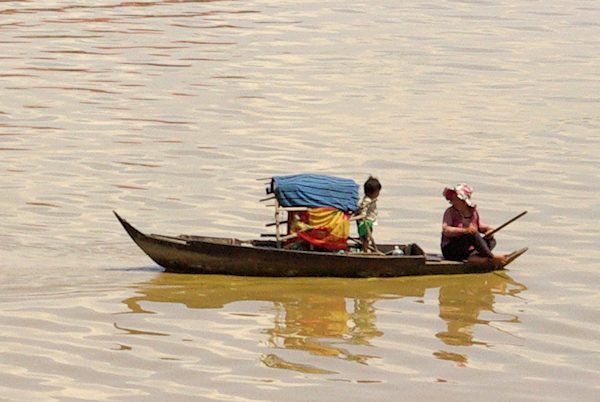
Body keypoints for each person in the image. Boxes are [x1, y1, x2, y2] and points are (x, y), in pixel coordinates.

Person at [441, 184, 507, 266]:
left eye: (457, 199)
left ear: (464, 201)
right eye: (453, 199)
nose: (454, 202)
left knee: (491, 240)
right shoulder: (450, 212)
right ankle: (491, 258)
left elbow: (479, 226)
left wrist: (489, 230)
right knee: (471, 234)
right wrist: (465, 231)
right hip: (451, 251)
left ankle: (475, 258)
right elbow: (446, 230)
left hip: (467, 249)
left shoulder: (473, 211)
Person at [357, 176, 381, 252]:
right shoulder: (367, 200)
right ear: (372, 192)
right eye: (378, 192)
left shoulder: (371, 199)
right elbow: (363, 209)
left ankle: (366, 249)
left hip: (369, 221)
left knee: (368, 236)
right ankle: (365, 250)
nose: (378, 194)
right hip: (366, 222)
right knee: (366, 237)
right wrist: (363, 215)